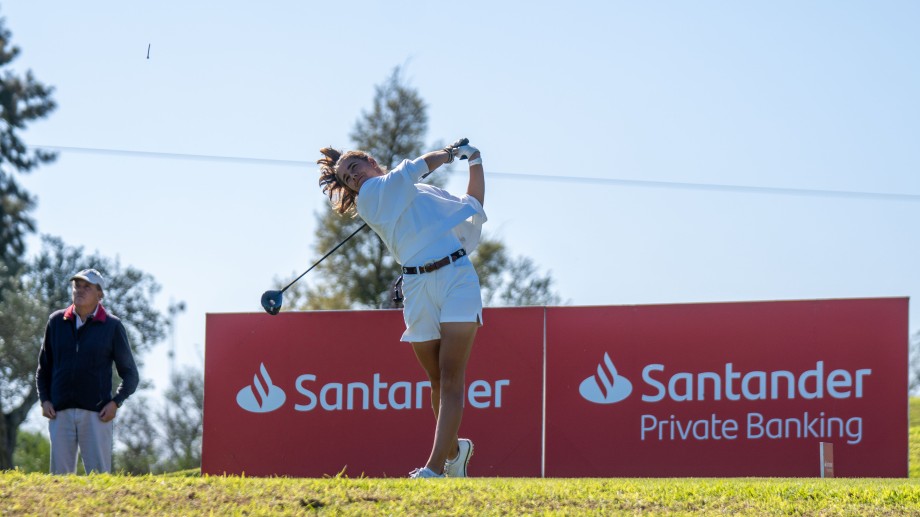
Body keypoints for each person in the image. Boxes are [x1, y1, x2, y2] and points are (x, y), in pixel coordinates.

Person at [317, 139, 486, 478]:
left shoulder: (422, 193)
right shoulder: (371, 197)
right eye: (348, 179)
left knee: (452, 378)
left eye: (355, 168)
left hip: (457, 278)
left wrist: (475, 162)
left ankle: (435, 468)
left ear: (371, 161)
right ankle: (456, 450)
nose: (354, 178)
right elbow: (417, 166)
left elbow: (473, 204)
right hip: (417, 286)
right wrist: (452, 153)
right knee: (437, 381)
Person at [36, 268, 139, 474]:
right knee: (59, 482)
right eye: (77, 286)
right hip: (59, 413)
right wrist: (45, 399)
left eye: (87, 287)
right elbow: (43, 368)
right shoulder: (56, 322)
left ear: (99, 294)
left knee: (99, 478)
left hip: (97, 414)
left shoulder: (112, 326)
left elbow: (131, 375)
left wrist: (115, 403)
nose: (79, 291)